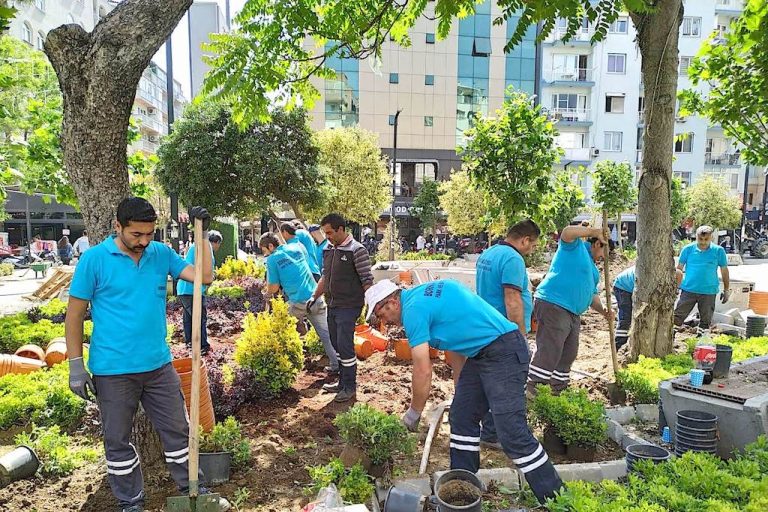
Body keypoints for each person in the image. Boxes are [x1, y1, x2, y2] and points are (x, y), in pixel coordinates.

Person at [64, 198, 229, 512]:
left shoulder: (161, 254)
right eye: (136, 235)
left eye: (149, 234)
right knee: (117, 439)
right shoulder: (94, 260)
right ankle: (130, 503)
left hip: (157, 365)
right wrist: (75, 364)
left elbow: (205, 278)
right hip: (112, 369)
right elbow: (74, 315)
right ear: (118, 226)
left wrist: (203, 236)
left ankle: (194, 490)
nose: (143, 241)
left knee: (179, 431)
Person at [365, 279, 563, 505]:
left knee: (512, 434)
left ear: (391, 302)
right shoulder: (422, 296)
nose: (384, 322)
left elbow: (422, 369)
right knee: (461, 415)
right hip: (483, 353)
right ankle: (462, 491)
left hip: (504, 352)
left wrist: (413, 414)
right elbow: (455, 338)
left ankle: (556, 498)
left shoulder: (413, 311)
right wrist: (463, 390)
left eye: (381, 314)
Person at [475, 219, 540, 449]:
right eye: (531, 246)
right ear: (525, 240)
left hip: (487, 328)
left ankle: (488, 429)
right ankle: (494, 434)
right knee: (507, 384)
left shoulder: (489, 253)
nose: (531, 251)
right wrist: (520, 336)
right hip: (505, 332)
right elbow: (512, 299)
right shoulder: (513, 259)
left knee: (489, 380)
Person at [527, 225, 612, 395]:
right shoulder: (575, 247)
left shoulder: (593, 271)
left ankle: (558, 388)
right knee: (551, 347)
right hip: (554, 303)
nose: (604, 257)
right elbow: (566, 232)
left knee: (569, 351)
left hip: (573, 312)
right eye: (604, 252)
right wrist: (594, 231)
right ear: (597, 244)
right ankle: (533, 388)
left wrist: (604, 311)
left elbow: (592, 295)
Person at [308, 213, 373, 402]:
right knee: (336, 344)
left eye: (329, 232)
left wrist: (374, 306)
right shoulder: (328, 249)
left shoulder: (356, 250)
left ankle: (350, 387)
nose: (327, 236)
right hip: (333, 304)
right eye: (325, 233)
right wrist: (314, 296)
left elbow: (367, 280)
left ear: (341, 229)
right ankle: (341, 382)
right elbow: (325, 277)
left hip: (349, 306)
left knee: (345, 346)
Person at [259, 232, 339, 375]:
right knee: (327, 334)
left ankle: (282, 368)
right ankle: (337, 365)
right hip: (315, 297)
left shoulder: (272, 259)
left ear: (270, 246)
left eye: (264, 250)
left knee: (280, 330)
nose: (264, 254)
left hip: (297, 302)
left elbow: (274, 287)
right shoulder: (297, 247)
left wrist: (267, 293)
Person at [674, 225, 730, 335]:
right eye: (700, 239)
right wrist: (675, 287)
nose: (703, 242)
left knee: (705, 323)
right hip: (688, 290)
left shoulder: (719, 251)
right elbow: (679, 269)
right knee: (677, 318)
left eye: (706, 239)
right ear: (696, 236)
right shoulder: (688, 250)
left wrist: (726, 290)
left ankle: (701, 346)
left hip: (708, 292)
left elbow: (724, 271)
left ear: (711, 238)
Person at [176, 230, 223, 356]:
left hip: (182, 289)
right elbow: (208, 277)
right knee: (199, 318)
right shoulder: (206, 250)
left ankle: (189, 342)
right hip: (193, 290)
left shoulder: (194, 247)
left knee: (188, 317)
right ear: (217, 242)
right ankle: (203, 346)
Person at [614, 266, 684, 349]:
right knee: (626, 317)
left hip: (634, 285)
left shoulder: (665, 274)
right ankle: (619, 344)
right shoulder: (655, 277)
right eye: (674, 285)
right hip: (623, 286)